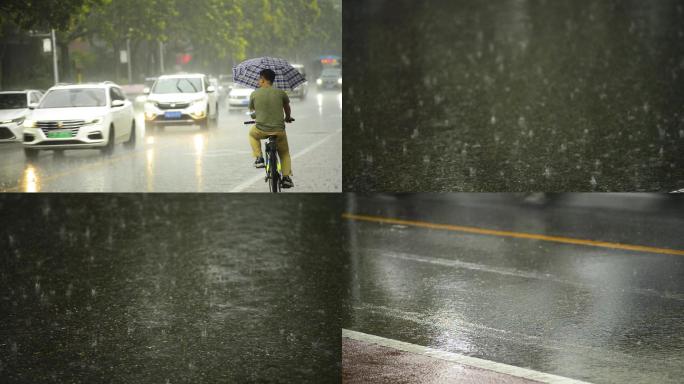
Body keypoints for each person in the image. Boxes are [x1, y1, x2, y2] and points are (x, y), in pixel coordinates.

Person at [248, 68, 295, 188]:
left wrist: (256, 115)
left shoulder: (254, 94)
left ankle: (259, 158)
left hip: (261, 130)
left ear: (263, 80)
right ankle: (286, 178)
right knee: (284, 154)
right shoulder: (281, 93)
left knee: (252, 134)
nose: (259, 81)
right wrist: (288, 117)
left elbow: (253, 111)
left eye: (259, 79)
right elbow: (287, 108)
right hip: (279, 131)